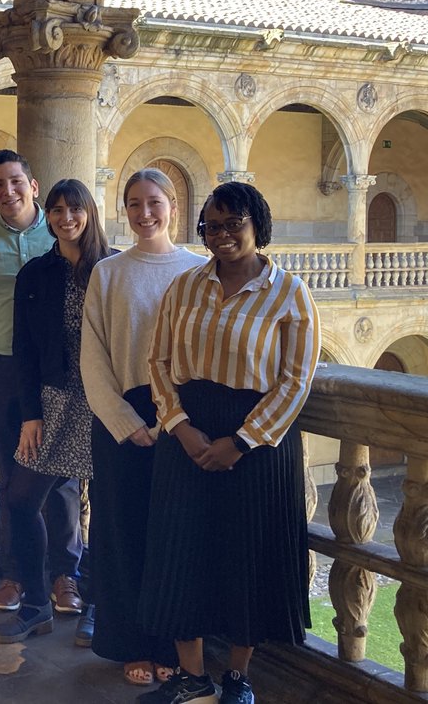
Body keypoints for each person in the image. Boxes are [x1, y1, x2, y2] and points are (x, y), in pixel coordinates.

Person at [138, 182, 320, 704]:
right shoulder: (186, 286)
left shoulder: (289, 292)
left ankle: (238, 679)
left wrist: (240, 442)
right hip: (188, 432)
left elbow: (294, 380)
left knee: (248, 556)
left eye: (232, 223)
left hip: (257, 443)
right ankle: (193, 677)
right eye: (211, 226)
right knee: (182, 552)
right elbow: (159, 362)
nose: (221, 235)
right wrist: (181, 426)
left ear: (256, 224)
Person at [80, 169, 205, 683]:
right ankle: (130, 642)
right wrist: (125, 420)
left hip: (183, 419)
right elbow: (93, 355)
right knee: (122, 532)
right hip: (122, 420)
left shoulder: (199, 271)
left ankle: (171, 646)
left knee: (174, 539)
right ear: (124, 210)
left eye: (154, 202)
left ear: (173, 205)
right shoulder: (108, 273)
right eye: (134, 204)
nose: (144, 213)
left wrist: (176, 418)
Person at [0, 149, 79, 614]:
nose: (7, 192)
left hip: (56, 374)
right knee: (11, 473)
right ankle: (17, 575)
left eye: (14, 181)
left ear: (33, 184)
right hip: (1, 369)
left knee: (61, 477)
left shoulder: (61, 230)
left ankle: (64, 574)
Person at [0, 179, 112, 643]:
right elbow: (23, 348)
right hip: (57, 401)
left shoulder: (111, 268)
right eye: (57, 209)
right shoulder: (36, 274)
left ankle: (97, 608)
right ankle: (39, 603)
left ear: (89, 213)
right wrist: (31, 414)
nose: (66, 218)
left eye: (74, 209)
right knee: (21, 499)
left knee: (106, 510)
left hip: (106, 403)